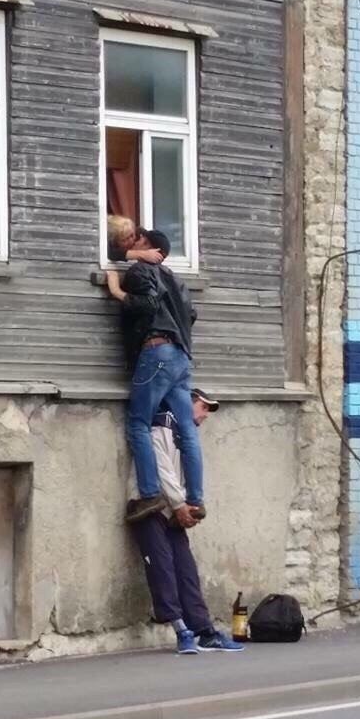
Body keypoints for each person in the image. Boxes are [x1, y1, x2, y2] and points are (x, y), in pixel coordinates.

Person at [127, 389, 243, 654]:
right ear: (186, 403)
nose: (206, 415)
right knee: (162, 567)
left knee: (186, 570)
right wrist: (180, 503)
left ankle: (204, 631)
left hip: (172, 509)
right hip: (150, 506)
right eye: (203, 407)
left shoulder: (185, 436)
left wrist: (187, 506)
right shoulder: (162, 426)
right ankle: (181, 631)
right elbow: (161, 468)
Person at [105, 230, 205, 523]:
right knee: (187, 429)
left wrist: (117, 292)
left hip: (157, 353)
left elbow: (147, 305)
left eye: (138, 240)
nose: (133, 242)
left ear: (149, 247)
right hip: (181, 358)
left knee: (139, 423)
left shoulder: (140, 271)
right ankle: (196, 499)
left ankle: (150, 494)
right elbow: (191, 315)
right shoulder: (176, 279)